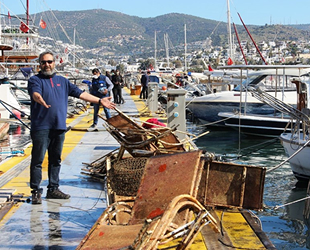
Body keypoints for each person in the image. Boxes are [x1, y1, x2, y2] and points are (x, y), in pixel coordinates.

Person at [27, 51, 115, 205]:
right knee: (38, 160)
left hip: (59, 126)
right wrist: (39, 99)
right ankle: (36, 191)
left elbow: (81, 94)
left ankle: (53, 189)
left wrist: (101, 101)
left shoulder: (63, 81)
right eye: (43, 62)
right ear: (39, 65)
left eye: (49, 62)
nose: (46, 65)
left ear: (54, 63)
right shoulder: (35, 80)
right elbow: (35, 94)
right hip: (41, 127)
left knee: (56, 160)